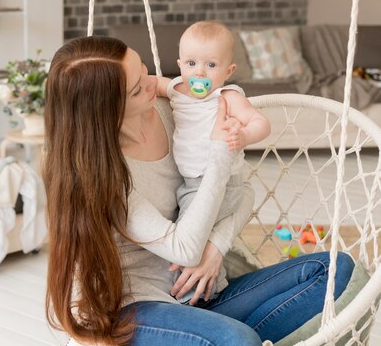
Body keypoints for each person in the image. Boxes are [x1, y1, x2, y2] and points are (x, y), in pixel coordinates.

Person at [43, 35, 354, 346]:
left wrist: (216, 248)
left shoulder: (174, 109)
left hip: (203, 293)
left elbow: (243, 192)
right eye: (137, 89)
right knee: (238, 339)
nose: (154, 84)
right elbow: (184, 250)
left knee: (332, 268)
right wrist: (219, 153)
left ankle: (212, 336)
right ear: (106, 111)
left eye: (145, 69)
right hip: (139, 309)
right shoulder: (100, 176)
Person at [155, 21, 271, 303]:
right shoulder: (177, 89)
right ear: (180, 65)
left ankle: (191, 296)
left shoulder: (227, 97)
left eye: (211, 65)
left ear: (228, 71)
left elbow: (262, 123)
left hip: (221, 186)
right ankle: (215, 286)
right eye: (192, 63)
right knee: (199, 240)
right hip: (191, 185)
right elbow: (147, 82)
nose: (199, 72)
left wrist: (243, 135)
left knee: (189, 241)